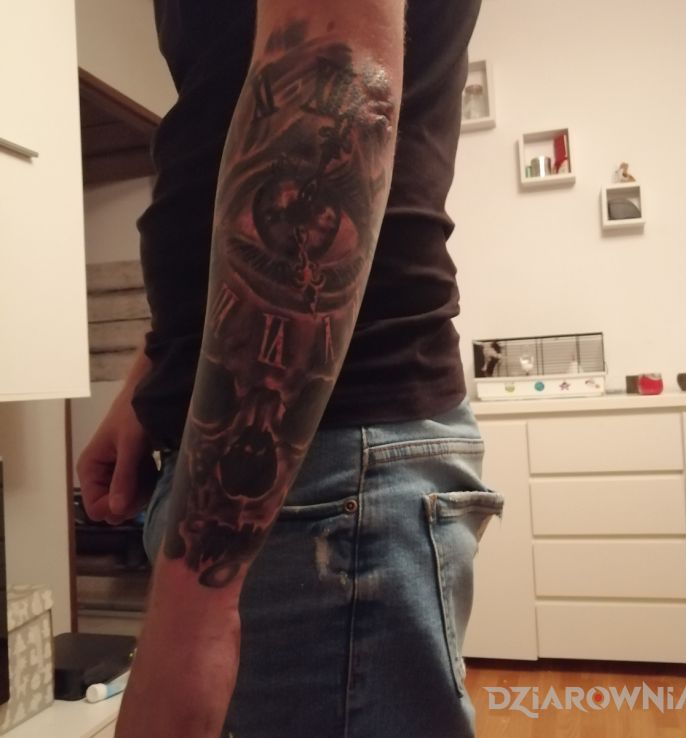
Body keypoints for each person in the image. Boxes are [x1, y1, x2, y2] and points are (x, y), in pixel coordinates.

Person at [77, 1, 503, 737]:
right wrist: (157, 370)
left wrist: (191, 616)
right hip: (302, 459)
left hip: (317, 460)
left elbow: (335, 89)